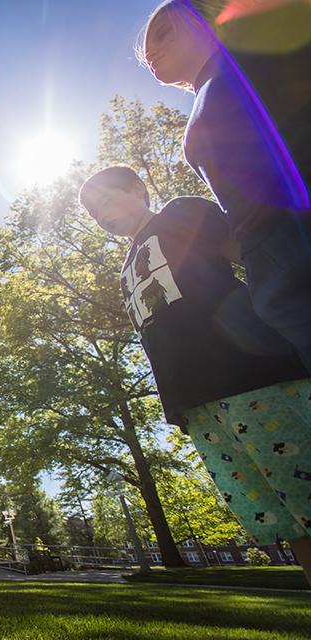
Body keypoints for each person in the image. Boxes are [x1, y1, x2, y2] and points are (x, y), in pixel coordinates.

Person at [80, 166, 311, 584]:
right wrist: (177, 405)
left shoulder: (182, 214)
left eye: (107, 200)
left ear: (137, 189)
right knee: (286, 517)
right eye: (95, 215)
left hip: (254, 375)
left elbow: (261, 261)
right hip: (198, 404)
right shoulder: (126, 269)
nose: (103, 215)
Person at [140, 0, 311, 372]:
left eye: (164, 32)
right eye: (145, 50)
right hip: (273, 269)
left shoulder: (256, 63)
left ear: (210, 18)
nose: (149, 51)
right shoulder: (209, 89)